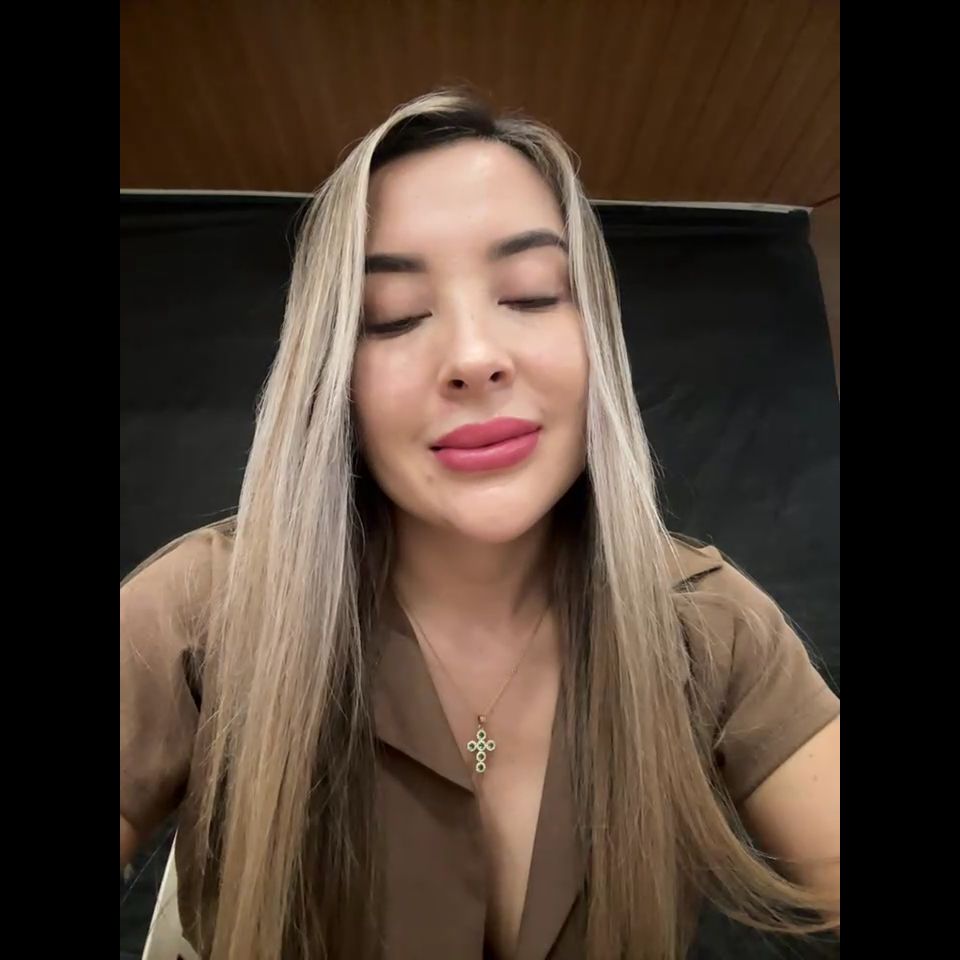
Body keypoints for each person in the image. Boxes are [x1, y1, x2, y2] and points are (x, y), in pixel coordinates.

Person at [120, 89, 840, 960]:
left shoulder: (712, 626)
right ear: (331, 374)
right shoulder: (199, 609)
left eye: (531, 295)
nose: (471, 357)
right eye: (392, 315)